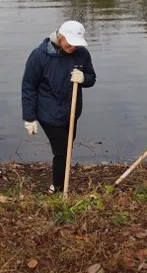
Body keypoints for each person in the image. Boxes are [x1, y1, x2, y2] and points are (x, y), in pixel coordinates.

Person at [22, 21, 97, 193]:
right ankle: (57, 188)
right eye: (69, 43)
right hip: (48, 112)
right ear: (60, 37)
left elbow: (92, 78)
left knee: (67, 148)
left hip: (71, 110)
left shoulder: (82, 54)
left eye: (76, 44)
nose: (73, 47)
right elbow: (28, 87)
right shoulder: (39, 56)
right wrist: (29, 117)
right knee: (62, 150)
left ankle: (61, 184)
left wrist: (84, 78)